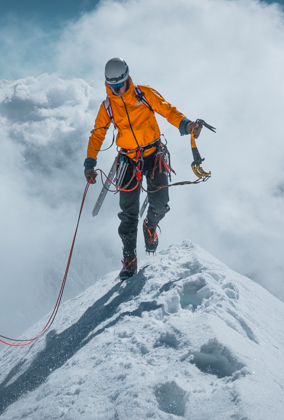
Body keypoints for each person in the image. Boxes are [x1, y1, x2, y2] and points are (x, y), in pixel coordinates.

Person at [84, 58, 204, 279]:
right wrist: (90, 163)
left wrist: (186, 124)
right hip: (128, 160)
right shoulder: (108, 106)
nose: (117, 90)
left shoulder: (144, 94)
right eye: (112, 86)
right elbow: (98, 133)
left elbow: (167, 110)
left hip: (154, 155)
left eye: (120, 85)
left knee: (160, 204)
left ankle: (151, 225)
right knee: (128, 214)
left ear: (127, 78)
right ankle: (129, 259)